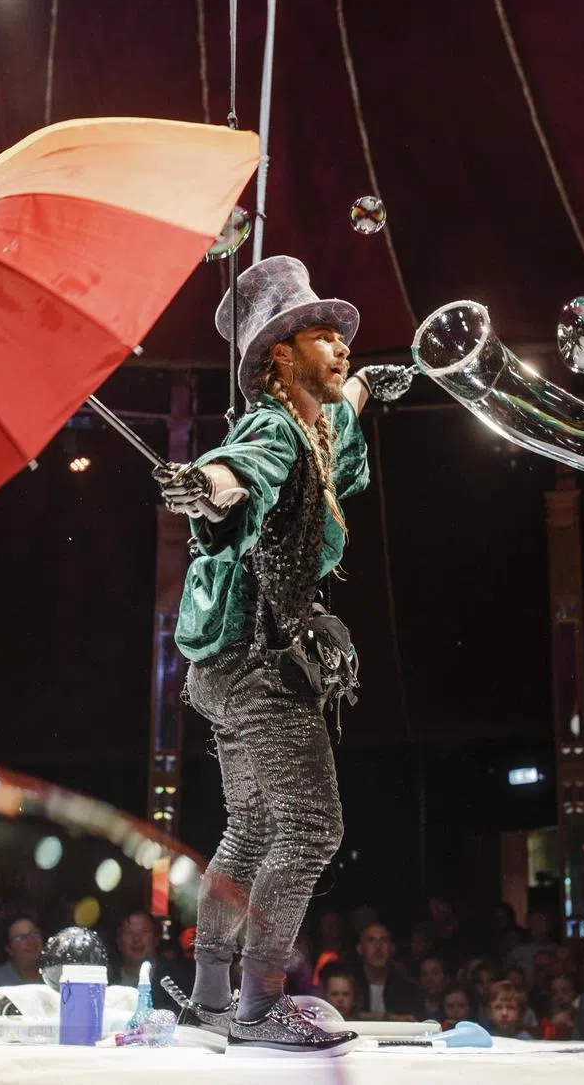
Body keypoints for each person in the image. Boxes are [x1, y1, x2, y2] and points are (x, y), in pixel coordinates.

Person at [155, 256, 413, 1056]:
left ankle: (209, 998)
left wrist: (370, 386)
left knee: (253, 825)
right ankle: (262, 1004)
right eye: (325, 336)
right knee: (309, 826)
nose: (342, 348)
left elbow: (335, 422)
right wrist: (208, 483)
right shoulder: (270, 427)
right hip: (260, 670)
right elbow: (242, 471)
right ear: (279, 356)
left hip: (228, 669)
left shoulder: (314, 424)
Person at [355, 921, 424, 1020]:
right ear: (360, 949)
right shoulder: (350, 985)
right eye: (371, 940)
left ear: (392, 948)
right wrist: (389, 1017)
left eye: (383, 940)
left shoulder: (409, 989)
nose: (378, 946)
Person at [0, 917, 43, 989]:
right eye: (21, 938)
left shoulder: (54, 975)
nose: (31, 941)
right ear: (9, 949)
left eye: (34, 933)